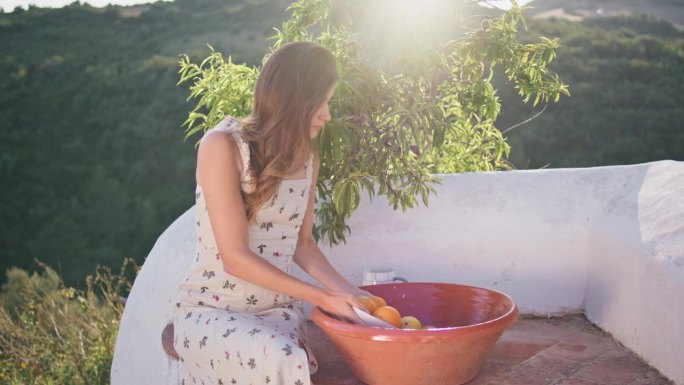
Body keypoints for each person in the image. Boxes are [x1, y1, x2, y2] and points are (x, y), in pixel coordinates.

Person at [173, 41, 366, 385]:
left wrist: (354, 296)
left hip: (277, 314)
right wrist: (322, 297)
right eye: (320, 103)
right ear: (294, 100)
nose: (328, 115)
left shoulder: (308, 158)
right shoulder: (222, 147)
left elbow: (303, 245)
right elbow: (234, 257)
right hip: (214, 312)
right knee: (285, 359)